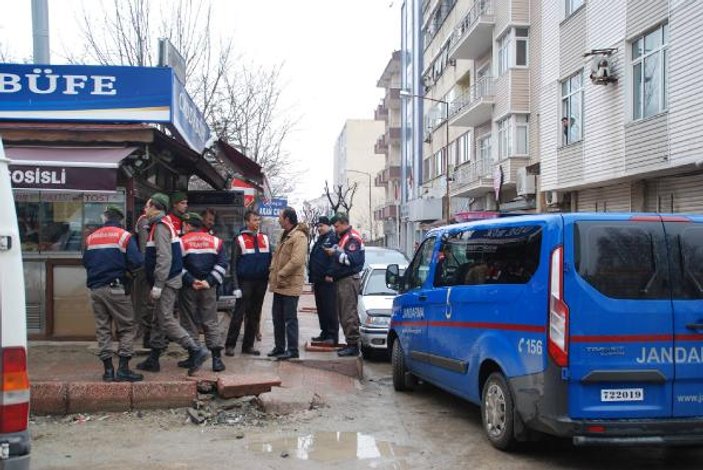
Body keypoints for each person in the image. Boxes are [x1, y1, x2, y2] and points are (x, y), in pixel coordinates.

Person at [136, 192, 209, 375]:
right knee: (158, 320)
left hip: (166, 280)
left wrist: (158, 285)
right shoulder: (162, 224)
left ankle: (195, 349)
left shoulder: (160, 226)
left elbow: (164, 258)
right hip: (168, 278)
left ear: (155, 207)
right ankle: (153, 358)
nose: (145, 209)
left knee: (165, 319)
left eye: (147, 206)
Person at [83, 205, 144, 382]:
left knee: (103, 329)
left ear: (105, 218)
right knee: (127, 327)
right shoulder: (124, 236)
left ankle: (108, 370)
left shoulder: (91, 237)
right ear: (120, 219)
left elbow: (86, 262)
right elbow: (137, 261)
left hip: (96, 290)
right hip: (116, 288)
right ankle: (123, 368)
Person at [179, 212, 229, 372]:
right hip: (208, 288)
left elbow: (176, 266)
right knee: (210, 321)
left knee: (189, 322)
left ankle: (194, 356)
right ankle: (216, 360)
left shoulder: (181, 242)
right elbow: (222, 264)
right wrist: (208, 281)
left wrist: (191, 280)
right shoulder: (216, 241)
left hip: (189, 288)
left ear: (188, 225)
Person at [225, 210, 272, 356]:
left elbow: (270, 259)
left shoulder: (265, 238)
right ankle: (230, 345)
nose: (257, 222)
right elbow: (233, 264)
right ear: (247, 221)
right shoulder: (239, 239)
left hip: (261, 282)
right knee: (238, 314)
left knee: (255, 314)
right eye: (254, 220)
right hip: (245, 282)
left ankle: (248, 345)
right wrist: (235, 286)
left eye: (259, 220)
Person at [267, 207, 309, 360]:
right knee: (277, 317)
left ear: (287, 219)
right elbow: (277, 257)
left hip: (290, 284)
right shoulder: (284, 235)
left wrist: (281, 273)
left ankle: (292, 350)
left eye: (280, 217)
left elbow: (297, 261)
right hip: (279, 284)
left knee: (290, 318)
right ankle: (279, 347)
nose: (278, 219)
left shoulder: (299, 237)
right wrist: (273, 270)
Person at [326, 213, 365, 357]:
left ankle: (353, 345)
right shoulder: (343, 238)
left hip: (348, 280)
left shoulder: (352, 238)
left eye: (336, 226)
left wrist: (334, 253)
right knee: (344, 313)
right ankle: (350, 343)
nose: (335, 230)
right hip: (343, 279)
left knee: (348, 312)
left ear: (343, 223)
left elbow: (351, 260)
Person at [308, 216, 339, 345]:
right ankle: (324, 333)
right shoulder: (320, 240)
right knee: (321, 309)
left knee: (329, 308)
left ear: (328, 226)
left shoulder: (332, 239)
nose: (319, 228)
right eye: (318, 226)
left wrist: (330, 273)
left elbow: (334, 259)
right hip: (319, 280)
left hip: (328, 281)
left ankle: (332, 336)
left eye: (322, 226)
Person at [132, 207, 154, 348]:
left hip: (151, 267)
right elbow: (144, 247)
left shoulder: (155, 222)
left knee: (149, 302)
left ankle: (148, 334)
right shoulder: (144, 221)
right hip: (146, 269)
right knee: (146, 302)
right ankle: (146, 335)